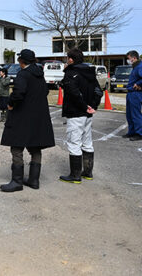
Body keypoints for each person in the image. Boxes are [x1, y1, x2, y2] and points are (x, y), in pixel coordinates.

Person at [0, 50, 55, 192]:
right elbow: (45, 92)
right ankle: (34, 180)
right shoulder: (39, 74)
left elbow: (18, 92)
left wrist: (10, 103)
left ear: (22, 61)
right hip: (38, 116)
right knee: (35, 146)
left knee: (16, 146)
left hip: (23, 115)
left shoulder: (23, 74)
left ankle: (17, 181)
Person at [58, 49, 101, 184]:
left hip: (76, 112)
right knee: (87, 142)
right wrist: (92, 106)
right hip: (88, 114)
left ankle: (75, 175)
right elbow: (98, 91)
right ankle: (88, 172)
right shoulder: (89, 72)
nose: (66, 60)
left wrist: (84, 107)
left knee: (74, 142)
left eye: (67, 58)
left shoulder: (71, 73)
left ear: (71, 59)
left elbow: (73, 93)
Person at [122, 50, 142, 141]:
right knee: (130, 115)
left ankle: (139, 134)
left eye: (129, 58)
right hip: (131, 93)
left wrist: (138, 84)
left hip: (136, 94)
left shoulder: (140, 67)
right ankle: (131, 132)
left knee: (135, 114)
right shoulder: (135, 67)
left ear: (134, 58)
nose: (128, 60)